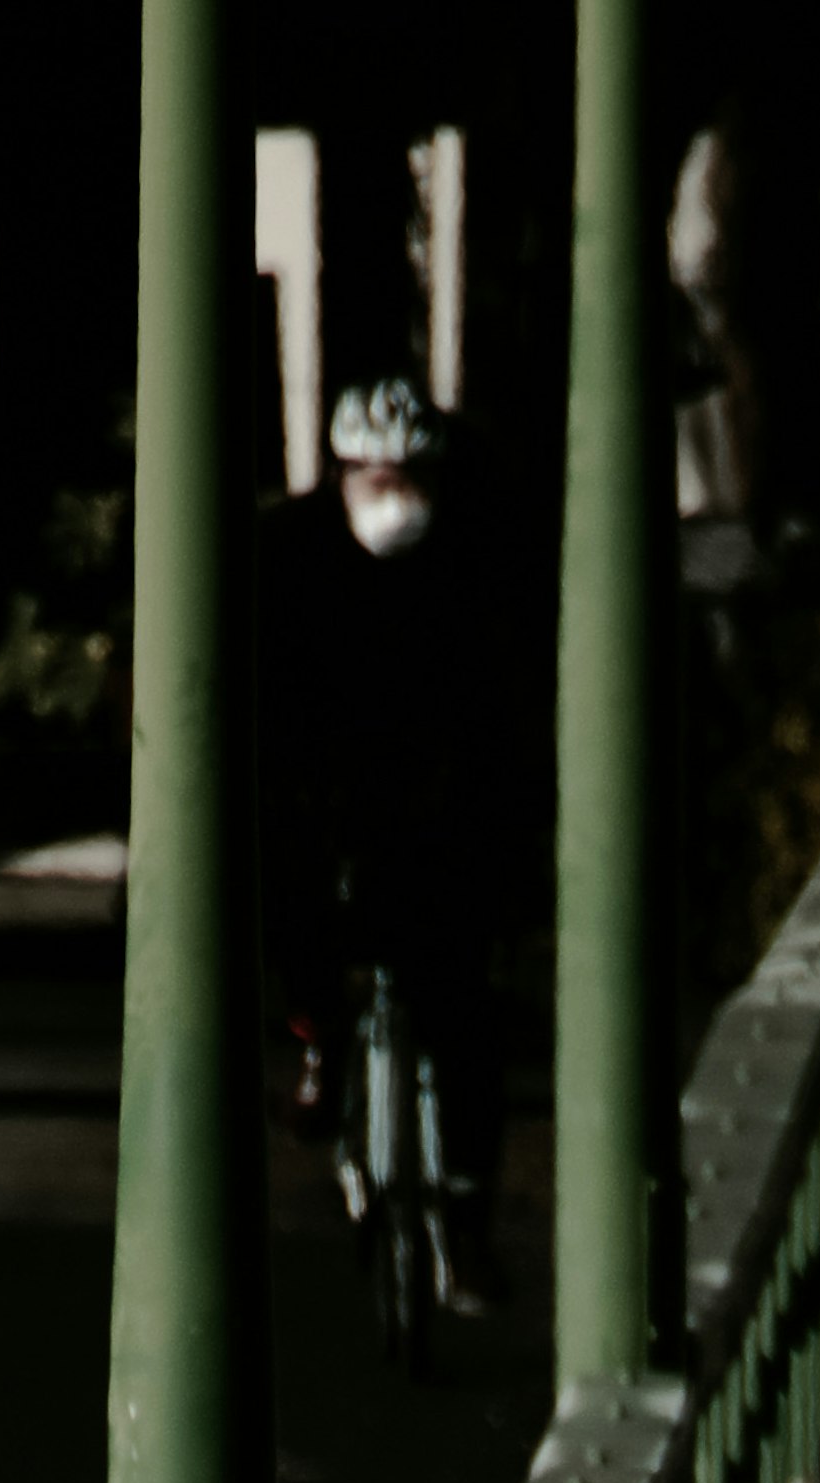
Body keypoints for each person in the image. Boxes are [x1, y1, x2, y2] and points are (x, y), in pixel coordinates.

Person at [260, 377, 511, 1306]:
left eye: (408, 472)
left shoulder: (476, 557)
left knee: (466, 1014)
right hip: (321, 794)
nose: (391, 488)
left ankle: (470, 1228)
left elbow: (507, 690)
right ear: (341, 471)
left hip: (439, 802)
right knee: (292, 904)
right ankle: (321, 1039)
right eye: (372, 471)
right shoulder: (286, 551)